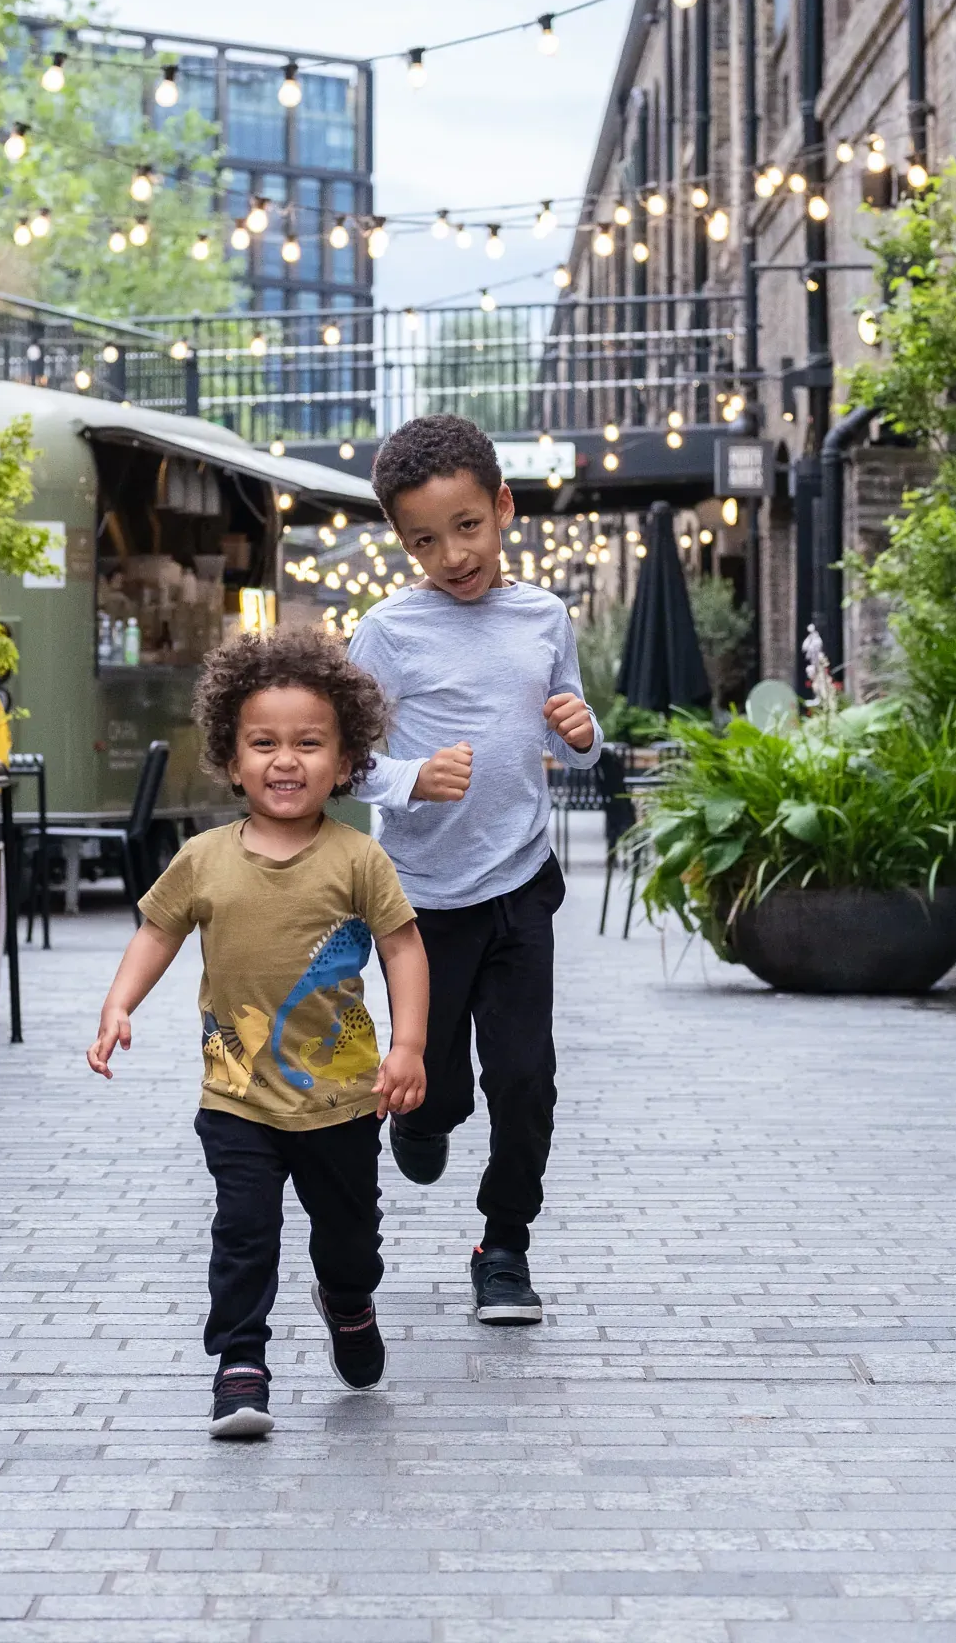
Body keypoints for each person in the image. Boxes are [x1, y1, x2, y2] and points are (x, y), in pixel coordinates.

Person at [87, 628, 430, 1441]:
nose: (285, 760)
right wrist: (118, 1003)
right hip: (235, 1098)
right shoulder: (203, 859)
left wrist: (408, 1047)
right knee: (244, 1235)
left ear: (345, 762)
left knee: (349, 1243)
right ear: (231, 758)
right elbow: (157, 933)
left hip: (343, 1104)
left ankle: (347, 1303)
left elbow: (402, 949)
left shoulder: (358, 860)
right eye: (263, 743)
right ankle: (239, 1364)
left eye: (309, 744)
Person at [347, 413, 600, 1327]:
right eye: (424, 539)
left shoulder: (543, 615)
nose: (452, 554)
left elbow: (565, 728)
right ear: (400, 541)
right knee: (444, 1087)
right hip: (419, 904)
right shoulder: (387, 633)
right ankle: (419, 1118)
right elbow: (339, 759)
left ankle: (505, 1249)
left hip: (520, 883)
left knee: (524, 1077)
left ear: (501, 508)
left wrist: (581, 735)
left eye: (466, 527)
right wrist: (411, 777)